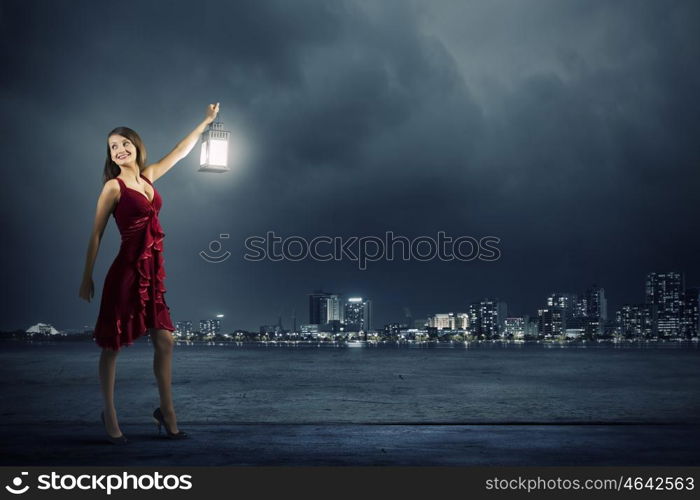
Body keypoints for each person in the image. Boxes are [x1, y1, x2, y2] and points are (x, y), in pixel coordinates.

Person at [79, 102, 220, 444]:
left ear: (136, 146)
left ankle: (166, 412)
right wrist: (87, 276)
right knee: (113, 345)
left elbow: (180, 152)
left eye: (124, 143)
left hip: (152, 272)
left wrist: (206, 121)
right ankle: (109, 413)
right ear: (110, 156)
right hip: (125, 272)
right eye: (113, 146)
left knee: (165, 340)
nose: (120, 149)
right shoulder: (113, 188)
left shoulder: (149, 177)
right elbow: (96, 233)